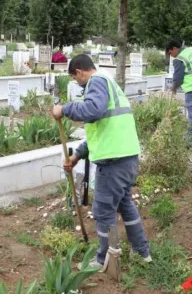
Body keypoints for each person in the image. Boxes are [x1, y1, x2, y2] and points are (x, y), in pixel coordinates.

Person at [52, 54, 151, 271]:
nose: (78, 83)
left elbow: (92, 111)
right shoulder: (110, 84)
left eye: (75, 78)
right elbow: (101, 129)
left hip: (113, 161)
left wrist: (65, 109)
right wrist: (77, 155)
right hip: (126, 156)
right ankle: (143, 252)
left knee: (103, 210)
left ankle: (103, 259)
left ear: (79, 72)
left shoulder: (95, 82)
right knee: (125, 205)